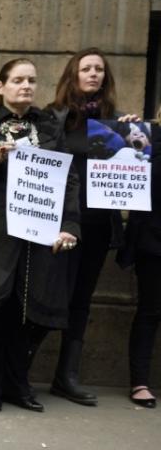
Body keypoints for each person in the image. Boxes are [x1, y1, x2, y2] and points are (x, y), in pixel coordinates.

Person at [0, 58, 80, 413]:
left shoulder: (49, 125)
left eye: (32, 80)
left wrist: (70, 226)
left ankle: (18, 385)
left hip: (38, 231)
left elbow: (68, 178)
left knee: (27, 311)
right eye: (18, 80)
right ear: (0, 86)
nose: (26, 86)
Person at [46, 48, 141, 406]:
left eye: (99, 69)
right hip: (60, 223)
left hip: (99, 224)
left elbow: (131, 170)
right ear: (73, 75)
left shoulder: (117, 122)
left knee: (81, 300)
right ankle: (18, 367)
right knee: (49, 292)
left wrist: (132, 138)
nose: (93, 74)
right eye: (86, 68)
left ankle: (66, 376)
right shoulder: (55, 118)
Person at [117, 106, 160, 408]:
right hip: (154, 241)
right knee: (150, 311)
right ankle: (140, 381)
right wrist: (124, 131)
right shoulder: (147, 136)